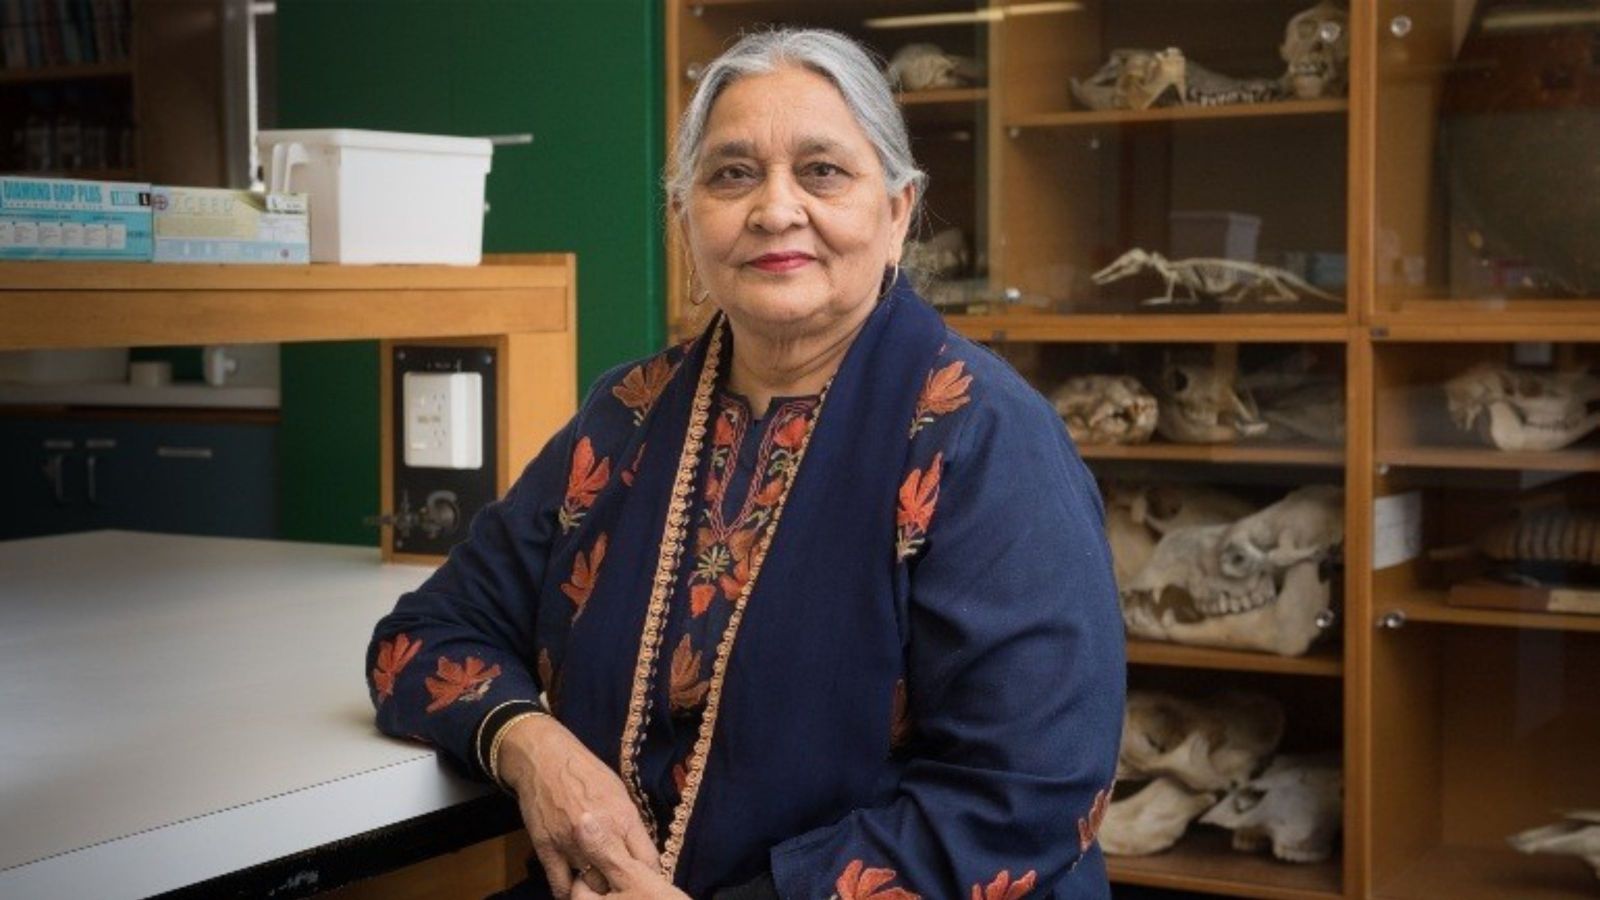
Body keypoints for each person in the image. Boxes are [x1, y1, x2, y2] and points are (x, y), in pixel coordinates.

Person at [365, 28, 1124, 900]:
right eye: (731, 174)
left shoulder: (986, 438)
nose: (774, 209)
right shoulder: (629, 416)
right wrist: (535, 750)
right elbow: (418, 642)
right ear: (686, 221)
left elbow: (1027, 794)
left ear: (899, 211)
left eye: (823, 171)